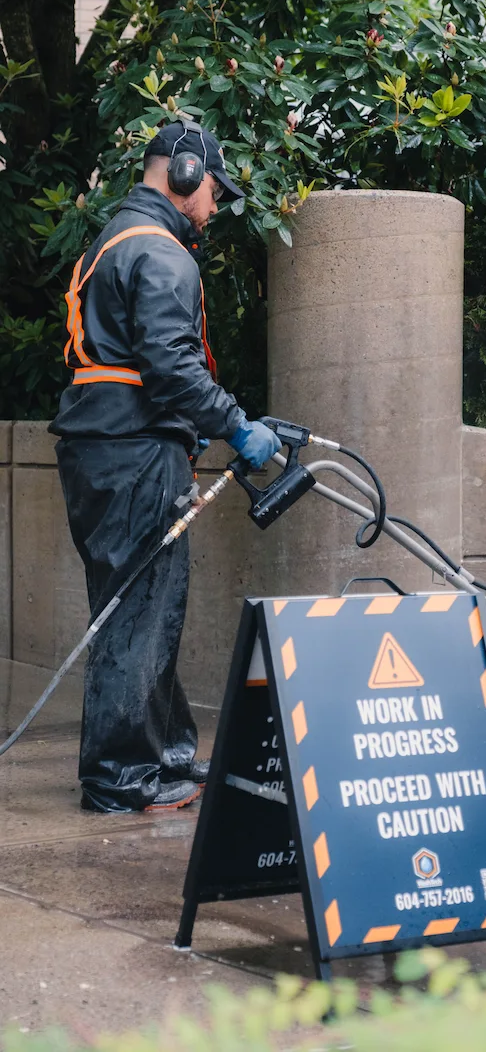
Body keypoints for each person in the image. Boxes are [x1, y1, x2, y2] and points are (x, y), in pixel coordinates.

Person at [49, 119, 281, 814]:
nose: (214, 204)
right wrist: (238, 425)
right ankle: (121, 779)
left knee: (146, 608)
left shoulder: (116, 239)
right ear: (183, 174)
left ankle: (164, 755)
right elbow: (172, 367)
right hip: (133, 454)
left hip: (108, 449)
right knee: (139, 611)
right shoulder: (159, 251)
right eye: (213, 188)